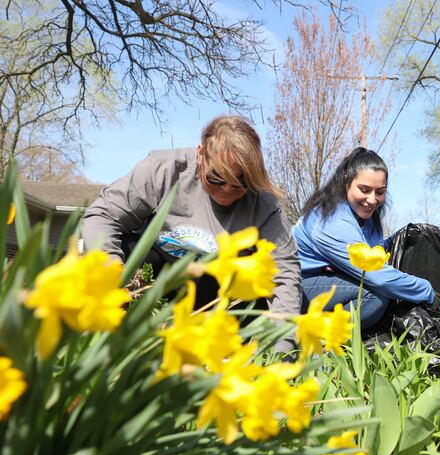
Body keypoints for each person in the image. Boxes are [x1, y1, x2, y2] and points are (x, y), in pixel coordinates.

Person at [81, 115, 302, 320]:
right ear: (200, 154)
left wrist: (281, 352)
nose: (227, 189)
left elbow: (284, 273)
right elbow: (103, 215)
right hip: (155, 276)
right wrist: (111, 270)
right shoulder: (163, 170)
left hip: (218, 295)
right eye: (216, 177)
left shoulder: (264, 203)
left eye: (240, 182)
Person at [292, 147, 434, 329]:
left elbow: (378, 256)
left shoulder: (365, 219)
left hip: (326, 280)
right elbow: (376, 275)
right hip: (295, 286)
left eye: (380, 192)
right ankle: (315, 339)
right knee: (374, 296)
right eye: (364, 189)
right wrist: (427, 291)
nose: (373, 199)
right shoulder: (331, 221)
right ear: (346, 184)